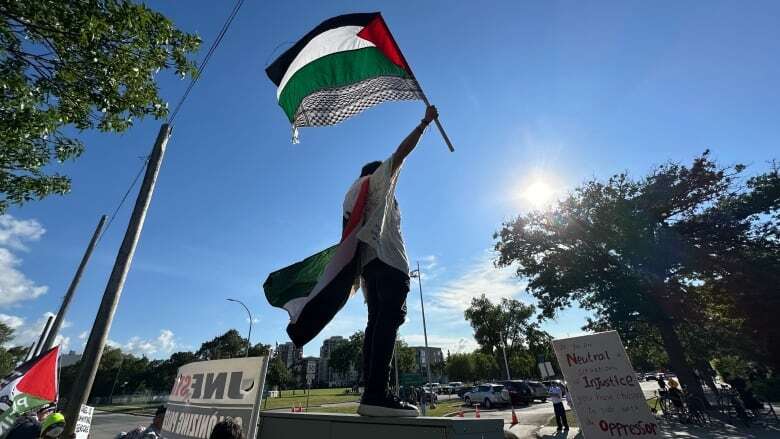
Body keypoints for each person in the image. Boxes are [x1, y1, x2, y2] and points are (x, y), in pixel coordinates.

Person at [345, 105, 438, 417]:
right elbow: (400, 154)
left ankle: (370, 390)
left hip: (368, 267)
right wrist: (424, 123)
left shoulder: (351, 193)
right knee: (388, 321)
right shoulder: (375, 181)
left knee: (375, 323)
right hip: (389, 262)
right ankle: (377, 393)